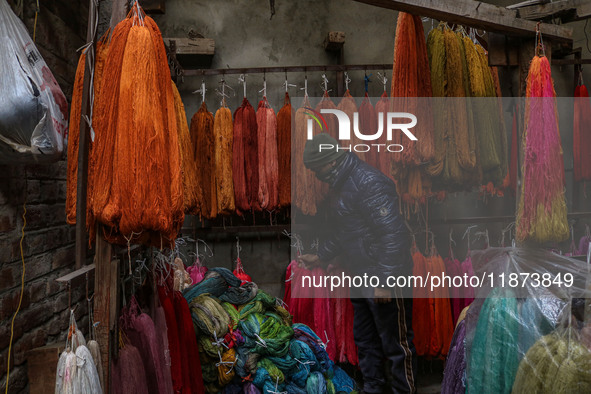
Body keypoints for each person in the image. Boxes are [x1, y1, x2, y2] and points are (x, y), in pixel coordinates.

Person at [298, 133, 416, 394]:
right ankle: (373, 389)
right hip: (361, 275)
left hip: (384, 276)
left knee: (396, 345)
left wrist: (385, 282)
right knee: (365, 340)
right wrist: (321, 256)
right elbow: (347, 231)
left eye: (316, 169)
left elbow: (394, 235)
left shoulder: (368, 182)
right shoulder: (342, 184)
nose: (316, 176)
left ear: (329, 162)